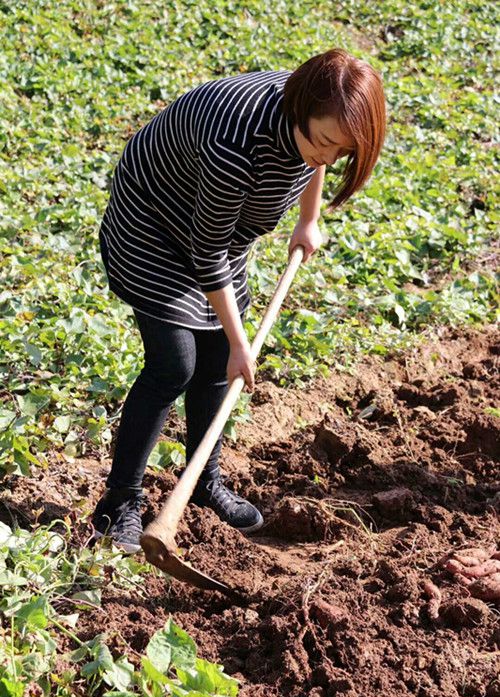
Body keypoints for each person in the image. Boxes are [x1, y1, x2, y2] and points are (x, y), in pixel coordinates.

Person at [90, 48, 386, 553]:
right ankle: (118, 505)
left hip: (216, 231)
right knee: (173, 365)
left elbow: (311, 161)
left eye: (343, 152)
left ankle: (202, 487)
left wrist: (307, 219)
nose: (330, 158)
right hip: (154, 222)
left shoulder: (315, 119)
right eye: (326, 143)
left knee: (211, 367)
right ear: (300, 111)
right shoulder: (237, 144)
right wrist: (240, 342)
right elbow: (206, 253)